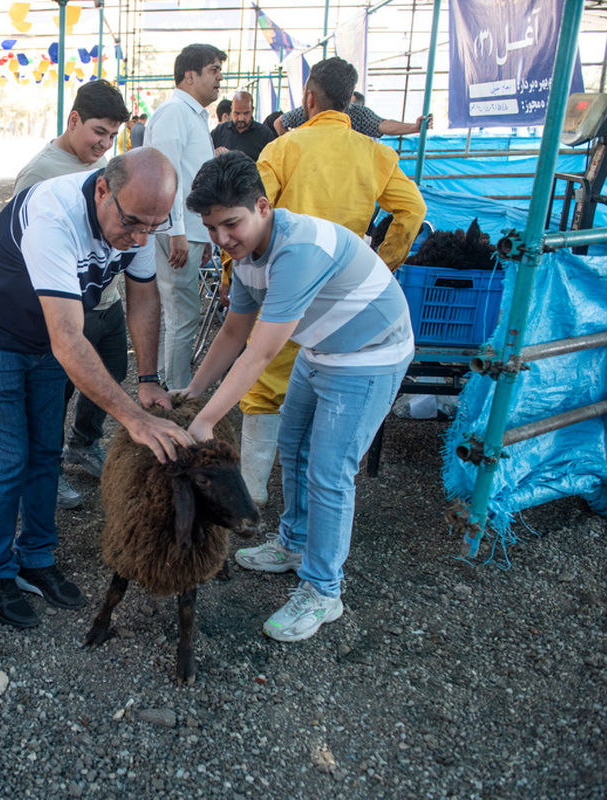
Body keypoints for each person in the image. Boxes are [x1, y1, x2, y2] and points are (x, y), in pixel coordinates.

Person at [0, 148, 194, 629]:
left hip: (43, 343)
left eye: (153, 226)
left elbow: (143, 299)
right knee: (8, 458)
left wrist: (146, 380)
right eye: (134, 224)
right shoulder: (53, 216)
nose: (141, 237)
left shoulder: (139, 215)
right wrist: (134, 418)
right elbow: (69, 340)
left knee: (45, 454)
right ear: (102, 189)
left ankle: (36, 559)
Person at [176, 151, 414, 642]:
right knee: (294, 451)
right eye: (211, 227)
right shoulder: (243, 257)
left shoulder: (297, 251)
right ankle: (293, 544)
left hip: (369, 355)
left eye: (231, 224)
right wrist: (194, 392)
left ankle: (323, 591)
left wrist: (204, 425)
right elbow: (233, 332)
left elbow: (259, 354)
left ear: (262, 207)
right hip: (320, 348)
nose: (222, 238)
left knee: (330, 472)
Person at [231, 56, 426, 508]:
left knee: (264, 381)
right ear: (352, 102)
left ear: (309, 99)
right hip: (345, 294)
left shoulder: (283, 148)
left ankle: (252, 493)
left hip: (282, 284)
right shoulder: (377, 153)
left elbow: (246, 213)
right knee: (327, 388)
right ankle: (303, 503)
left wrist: (233, 277)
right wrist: (383, 263)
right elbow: (413, 210)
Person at [12, 80, 131, 511]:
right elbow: (23, 248)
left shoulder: (109, 168)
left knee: (112, 373)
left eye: (113, 136)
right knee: (55, 394)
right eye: (98, 131)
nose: (104, 143)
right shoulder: (40, 172)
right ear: (74, 119)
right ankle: (49, 466)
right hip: (65, 307)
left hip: (107, 299)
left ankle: (84, 443)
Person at [143, 43, 225, 390]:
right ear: (189, 75)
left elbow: (192, 176)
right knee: (182, 315)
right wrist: (176, 230)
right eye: (213, 70)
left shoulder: (191, 114)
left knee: (178, 314)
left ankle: (168, 385)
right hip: (175, 231)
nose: (220, 78)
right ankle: (177, 393)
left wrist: (203, 235)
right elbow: (167, 175)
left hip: (189, 231)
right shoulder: (175, 112)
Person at [275, 91, 431, 137]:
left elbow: (382, 124)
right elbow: (279, 122)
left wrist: (413, 127)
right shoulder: (310, 110)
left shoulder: (358, 113)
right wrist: (290, 142)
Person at [210, 90, 276, 160]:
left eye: (246, 113)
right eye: (237, 113)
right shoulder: (219, 131)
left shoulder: (264, 134)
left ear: (252, 110)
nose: (241, 118)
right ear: (232, 110)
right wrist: (214, 153)